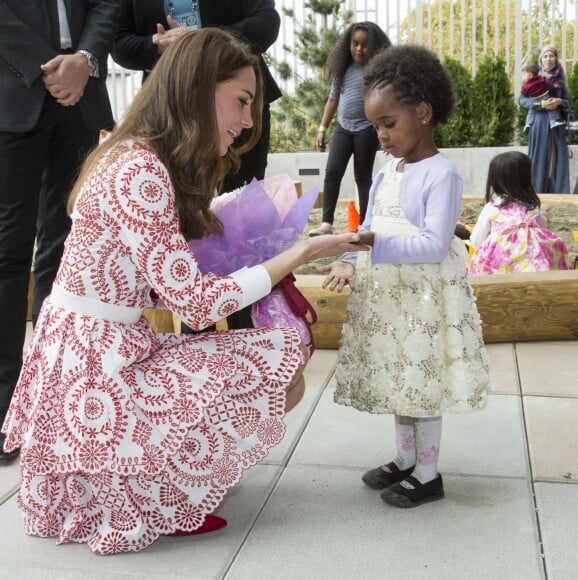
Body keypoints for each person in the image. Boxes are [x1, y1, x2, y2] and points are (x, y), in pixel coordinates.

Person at [1, 29, 366, 555]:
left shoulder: (133, 156)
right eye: (241, 102)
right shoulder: (141, 170)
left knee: (269, 366)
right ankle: (159, 496)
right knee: (275, 365)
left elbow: (148, 288)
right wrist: (301, 253)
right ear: (197, 88)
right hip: (100, 372)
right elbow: (194, 306)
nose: (245, 122)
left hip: (95, 357)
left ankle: (165, 481)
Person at [319, 45, 489, 508]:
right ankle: (405, 458)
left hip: (424, 298)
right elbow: (367, 223)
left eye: (388, 124)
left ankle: (429, 474)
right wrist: (346, 260)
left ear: (424, 112)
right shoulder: (387, 169)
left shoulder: (442, 174)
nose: (380, 136)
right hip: (390, 296)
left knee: (422, 379)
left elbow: (434, 245)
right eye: (375, 127)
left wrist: (373, 244)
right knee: (401, 377)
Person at [112, 0, 283, 331]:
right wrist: (154, 45)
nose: (249, 122)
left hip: (230, 92)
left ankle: (241, 321)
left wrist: (205, 46)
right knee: (186, 220)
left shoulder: (241, 115)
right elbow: (119, 42)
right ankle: (197, 325)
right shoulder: (141, 168)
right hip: (173, 108)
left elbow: (266, 20)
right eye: (245, 109)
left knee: (240, 220)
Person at [0, 0, 119, 463]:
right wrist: (49, 67)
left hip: (81, 103)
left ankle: (53, 401)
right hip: (15, 92)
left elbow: (107, 5)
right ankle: (6, 405)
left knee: (66, 251)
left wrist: (84, 61)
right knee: (8, 256)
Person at [310, 22, 391, 236]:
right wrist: (322, 129)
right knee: (332, 172)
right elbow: (332, 100)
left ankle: (365, 224)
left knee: (362, 177)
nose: (359, 49)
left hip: (367, 129)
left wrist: (384, 131)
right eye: (355, 43)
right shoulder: (342, 69)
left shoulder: (377, 72)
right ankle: (326, 224)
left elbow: (386, 102)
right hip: (343, 128)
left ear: (373, 46)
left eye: (364, 45)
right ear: (348, 44)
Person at [468, 152, 570, 275]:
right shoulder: (532, 206)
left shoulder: (492, 207)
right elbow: (543, 228)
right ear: (526, 179)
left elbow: (476, 240)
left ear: (495, 179)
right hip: (534, 270)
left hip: (498, 269)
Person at [520, 45, 571, 193]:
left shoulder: (561, 80)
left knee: (559, 158)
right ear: (541, 60)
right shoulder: (533, 78)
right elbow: (522, 101)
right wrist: (540, 104)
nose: (548, 59)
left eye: (551, 56)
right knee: (537, 158)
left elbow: (568, 103)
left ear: (556, 58)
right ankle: (535, 192)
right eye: (545, 56)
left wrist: (560, 102)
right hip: (537, 122)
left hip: (556, 123)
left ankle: (561, 194)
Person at [521, 63, 566, 132]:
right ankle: (553, 121)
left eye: (524, 74)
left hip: (535, 99)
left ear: (530, 75)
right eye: (545, 56)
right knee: (551, 109)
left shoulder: (526, 86)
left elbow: (524, 93)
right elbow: (523, 100)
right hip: (544, 99)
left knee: (531, 111)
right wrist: (542, 103)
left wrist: (559, 101)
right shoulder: (541, 79)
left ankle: (528, 123)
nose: (548, 60)